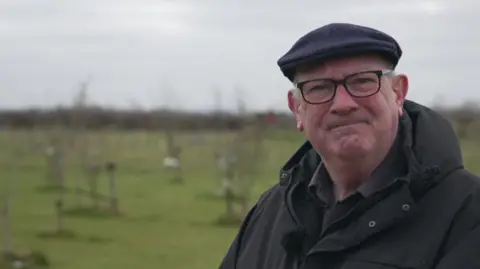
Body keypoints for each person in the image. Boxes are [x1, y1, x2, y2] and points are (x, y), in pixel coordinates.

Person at [218, 22, 480, 269]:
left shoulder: (467, 215)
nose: (343, 104)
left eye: (362, 81)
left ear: (398, 93)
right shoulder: (270, 212)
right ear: (297, 109)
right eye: (319, 88)